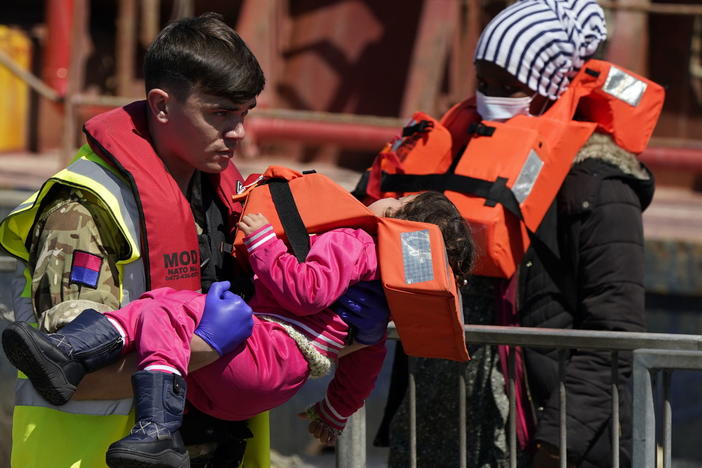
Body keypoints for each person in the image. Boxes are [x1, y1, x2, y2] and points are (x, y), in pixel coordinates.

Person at [371, 0, 658, 467]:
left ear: (551, 85)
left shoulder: (599, 183)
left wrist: (555, 444)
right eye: (483, 82)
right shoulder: (460, 153)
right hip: (436, 424)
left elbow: (615, 328)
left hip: (531, 434)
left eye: (510, 86)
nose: (491, 97)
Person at [3, 190, 475, 468]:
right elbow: (359, 375)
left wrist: (266, 242)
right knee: (163, 311)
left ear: (398, 221)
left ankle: (149, 419)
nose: (387, 194)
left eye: (402, 195)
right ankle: (71, 353)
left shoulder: (360, 242)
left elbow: (307, 291)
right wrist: (331, 415)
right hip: (267, 389)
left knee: (164, 305)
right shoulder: (380, 312)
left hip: (258, 351)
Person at [0, 12, 269, 468]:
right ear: (161, 106)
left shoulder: (227, 199)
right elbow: (65, 374)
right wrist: (207, 347)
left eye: (244, 114)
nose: (238, 132)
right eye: (220, 113)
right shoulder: (80, 212)